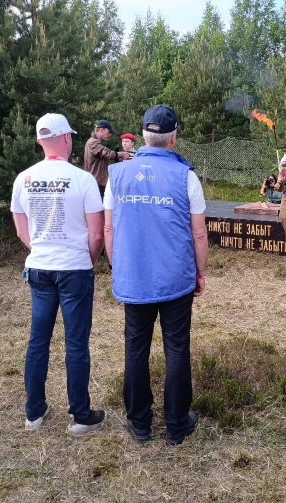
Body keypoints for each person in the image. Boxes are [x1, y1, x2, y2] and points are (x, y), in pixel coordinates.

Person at [104, 104, 208, 446]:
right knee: (177, 348)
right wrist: (201, 274)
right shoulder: (186, 176)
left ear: (144, 135)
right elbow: (199, 234)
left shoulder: (117, 175)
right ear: (174, 136)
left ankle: (140, 424)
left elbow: (108, 228)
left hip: (134, 277)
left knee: (135, 348)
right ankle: (177, 425)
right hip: (176, 277)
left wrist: (118, 266)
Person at [11, 113, 107, 437]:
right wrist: (87, 260)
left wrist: (41, 249)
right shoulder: (82, 180)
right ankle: (80, 415)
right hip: (74, 269)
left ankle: (34, 412)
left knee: (38, 340)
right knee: (76, 343)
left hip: (39, 267)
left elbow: (22, 231)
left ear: (40, 141)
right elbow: (96, 235)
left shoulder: (22, 179)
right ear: (67, 138)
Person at [84, 119, 130, 199]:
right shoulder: (92, 142)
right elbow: (107, 153)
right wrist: (121, 154)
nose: (109, 135)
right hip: (95, 186)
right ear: (101, 130)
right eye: (109, 132)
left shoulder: (95, 142)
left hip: (97, 185)